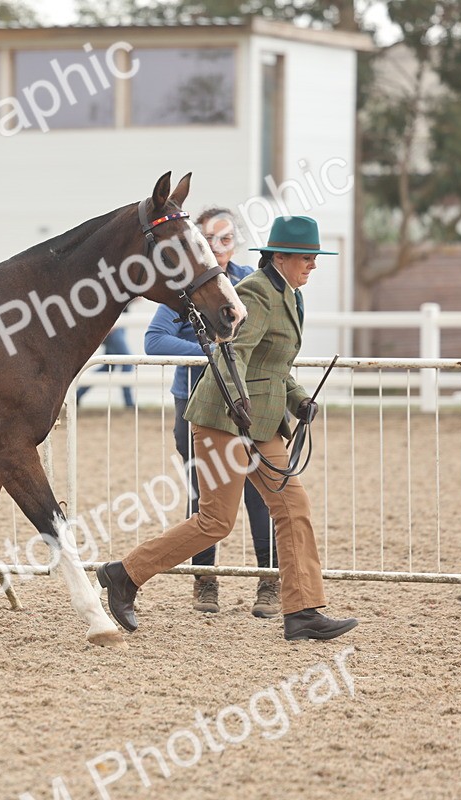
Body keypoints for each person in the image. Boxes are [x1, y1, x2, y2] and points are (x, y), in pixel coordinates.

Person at [97, 215, 358, 641]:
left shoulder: (290, 296)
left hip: (262, 424)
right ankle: (124, 574)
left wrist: (299, 401)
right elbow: (232, 352)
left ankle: (303, 611)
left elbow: (274, 366)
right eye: (307, 258)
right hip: (224, 420)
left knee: (294, 508)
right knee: (215, 522)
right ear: (281, 257)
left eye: (314, 258)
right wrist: (238, 401)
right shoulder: (256, 290)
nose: (313, 265)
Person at [145, 208, 277, 617]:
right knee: (204, 497)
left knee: (261, 492)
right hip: (197, 405)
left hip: (247, 403)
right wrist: (214, 355)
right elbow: (155, 340)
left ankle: (269, 582)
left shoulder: (250, 284)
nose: (218, 247)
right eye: (210, 239)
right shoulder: (184, 288)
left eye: (225, 238)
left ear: (235, 241)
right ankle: (205, 582)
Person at [76, 326, 135, 408]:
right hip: (115, 329)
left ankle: (78, 395)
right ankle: (129, 403)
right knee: (128, 362)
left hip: (118, 328)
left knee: (108, 366)